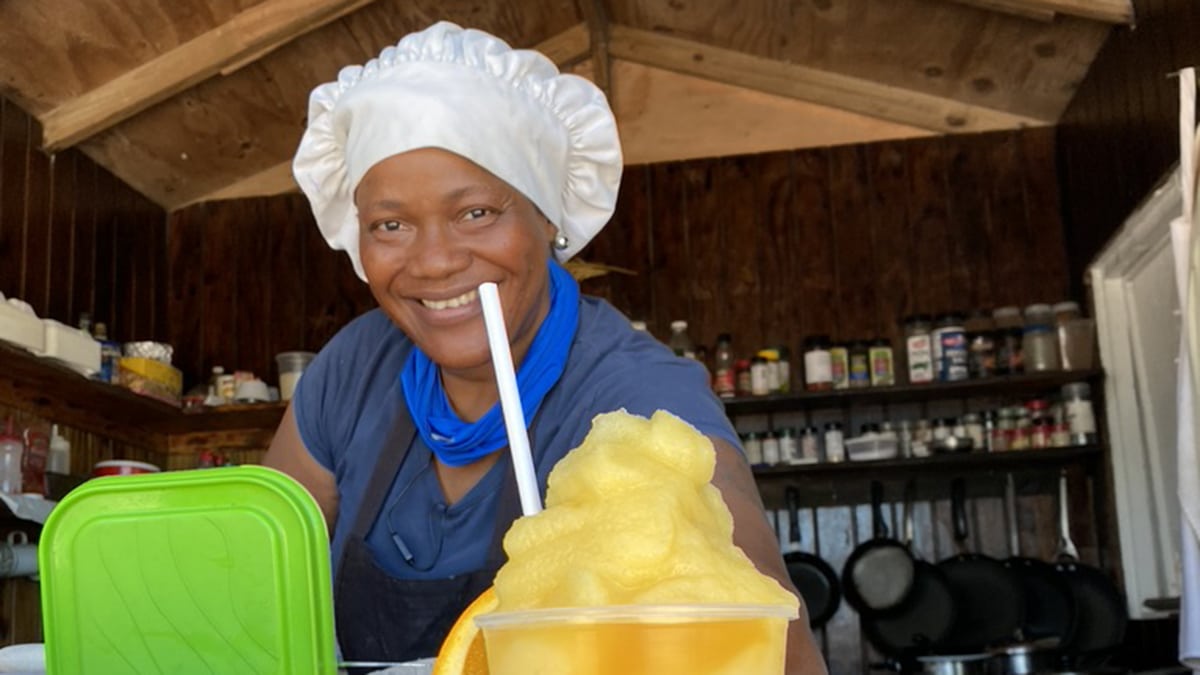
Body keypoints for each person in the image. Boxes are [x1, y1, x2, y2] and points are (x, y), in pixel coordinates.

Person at [266, 20, 826, 674]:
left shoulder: (637, 398)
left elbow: (766, 640)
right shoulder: (352, 370)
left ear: (549, 215)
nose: (436, 260)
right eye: (391, 225)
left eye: (476, 211)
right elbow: (244, 578)